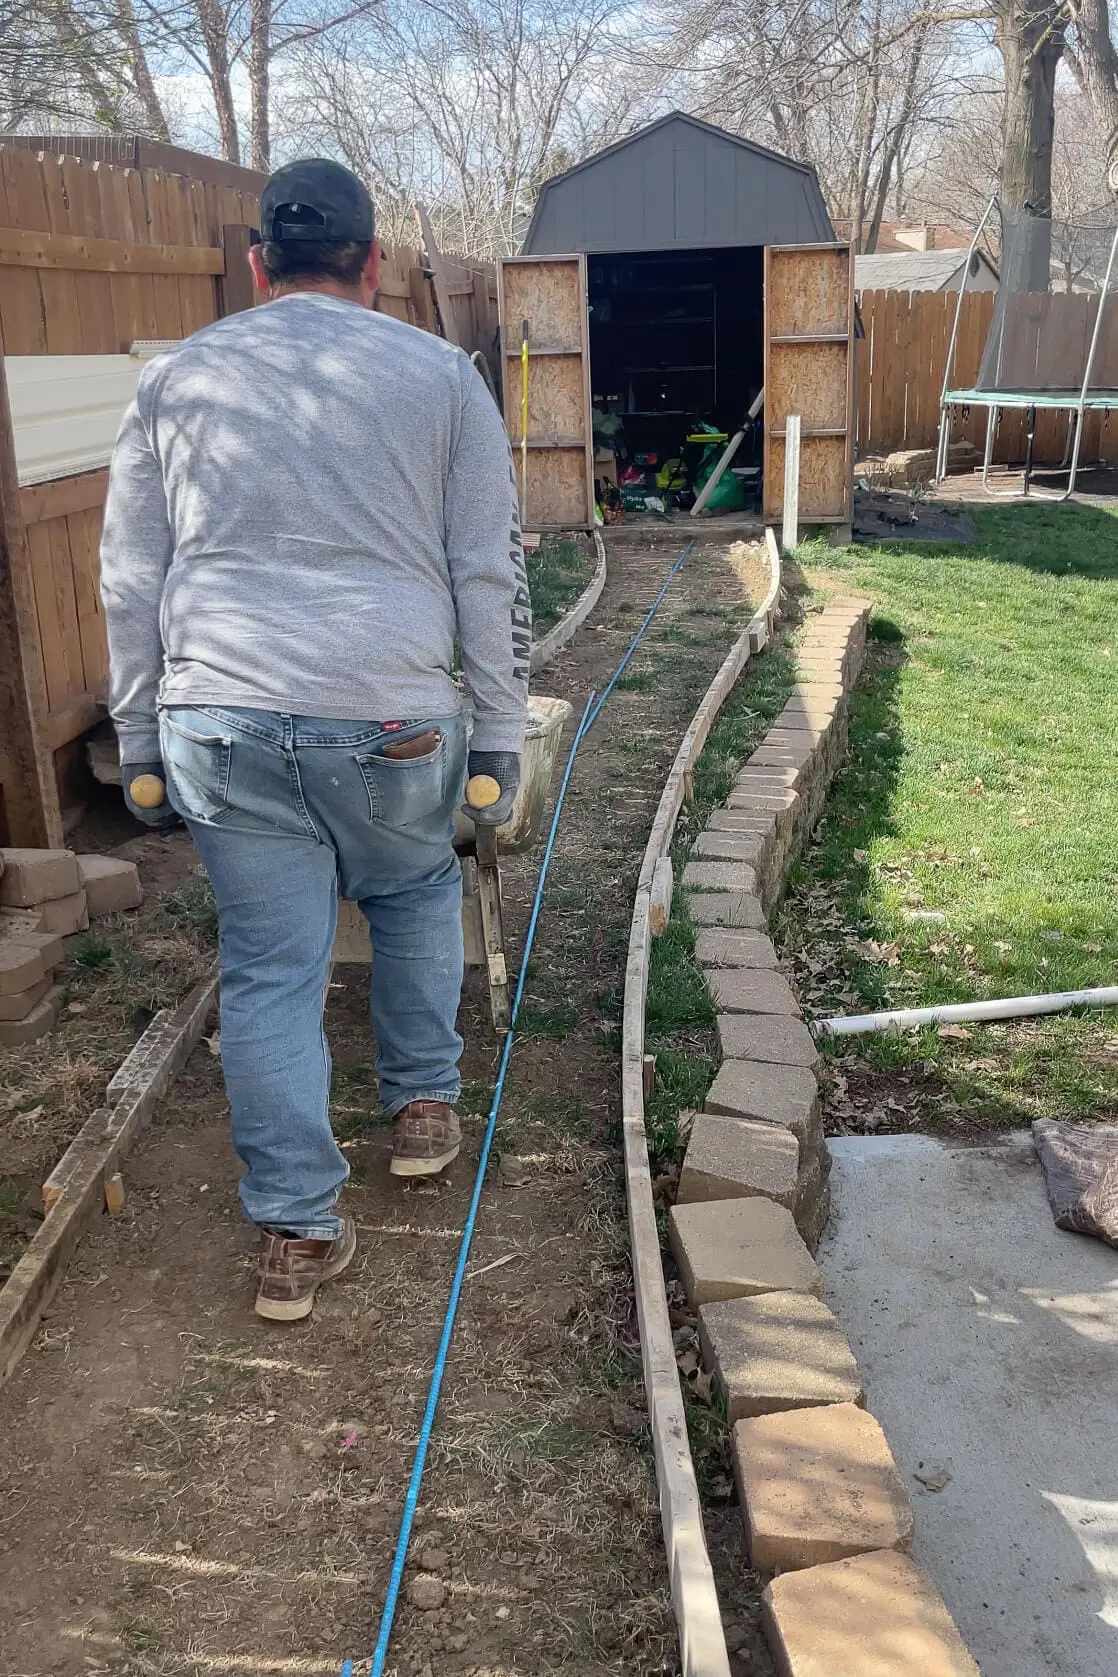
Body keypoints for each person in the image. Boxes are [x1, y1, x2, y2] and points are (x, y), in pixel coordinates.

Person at [100, 159, 530, 1323]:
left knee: (270, 967)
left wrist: (139, 731)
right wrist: (497, 732)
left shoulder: (176, 380)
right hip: (387, 715)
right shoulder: (441, 376)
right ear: (373, 264)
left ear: (257, 266)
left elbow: (132, 575)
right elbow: (482, 568)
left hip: (219, 719)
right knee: (410, 897)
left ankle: (296, 1227)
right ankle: (423, 1110)